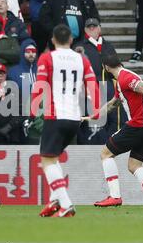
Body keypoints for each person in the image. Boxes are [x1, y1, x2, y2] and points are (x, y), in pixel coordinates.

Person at [82, 54, 143, 208]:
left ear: (106, 67)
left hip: (139, 125)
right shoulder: (123, 79)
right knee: (134, 165)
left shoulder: (125, 78)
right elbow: (112, 104)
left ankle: (114, 196)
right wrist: (92, 117)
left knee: (106, 154)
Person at [31, 24, 100, 217]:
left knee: (46, 160)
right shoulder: (81, 59)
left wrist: (33, 109)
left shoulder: (47, 57)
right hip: (74, 118)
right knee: (53, 158)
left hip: (56, 115)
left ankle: (66, 203)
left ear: (53, 40)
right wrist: (94, 110)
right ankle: (55, 200)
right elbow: (92, 84)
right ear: (71, 40)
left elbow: (40, 84)